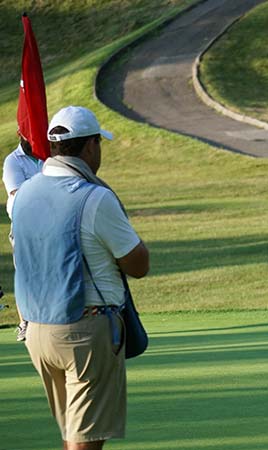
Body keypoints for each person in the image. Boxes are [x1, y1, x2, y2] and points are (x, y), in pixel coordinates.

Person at [12, 106, 149, 449]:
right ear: (89, 147)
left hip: (37, 331)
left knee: (73, 435)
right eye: (98, 144)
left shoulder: (24, 194)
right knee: (85, 441)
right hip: (85, 330)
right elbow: (138, 264)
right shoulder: (95, 196)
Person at [2, 130, 43, 341]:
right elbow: (17, 194)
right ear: (21, 134)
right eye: (30, 135)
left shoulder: (48, 158)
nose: (34, 139)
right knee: (25, 275)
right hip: (23, 226)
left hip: (50, 224)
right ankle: (25, 322)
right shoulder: (12, 161)